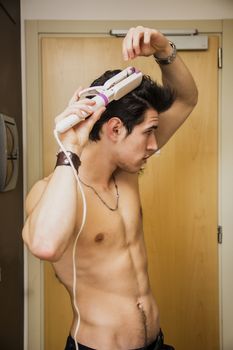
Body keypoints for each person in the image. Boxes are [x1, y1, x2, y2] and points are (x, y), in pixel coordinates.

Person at [22, 26, 198, 350]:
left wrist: (162, 48)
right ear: (115, 128)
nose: (155, 144)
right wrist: (70, 148)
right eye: (148, 132)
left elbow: (186, 99)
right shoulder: (50, 193)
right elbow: (44, 246)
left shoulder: (127, 173)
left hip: (156, 343)